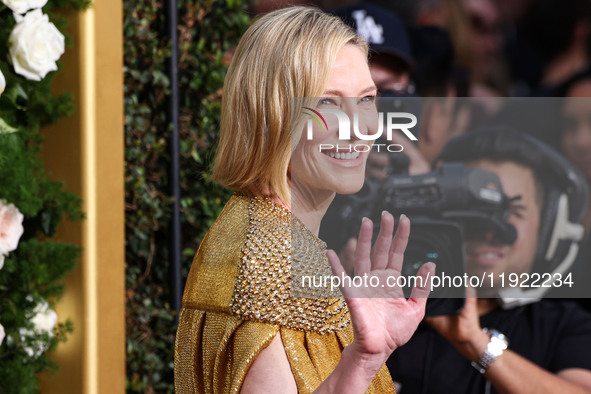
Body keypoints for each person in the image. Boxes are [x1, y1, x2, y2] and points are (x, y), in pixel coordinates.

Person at [174, 7, 435, 393]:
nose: (360, 127)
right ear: (271, 113)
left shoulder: (267, 234)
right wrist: (361, 364)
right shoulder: (267, 259)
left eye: (366, 99)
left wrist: (364, 360)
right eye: (328, 103)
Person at [387, 128, 591, 393]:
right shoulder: (386, 307)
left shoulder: (568, 326)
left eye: (512, 211)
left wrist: (476, 343)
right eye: (474, 209)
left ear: (548, 228)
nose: (489, 230)